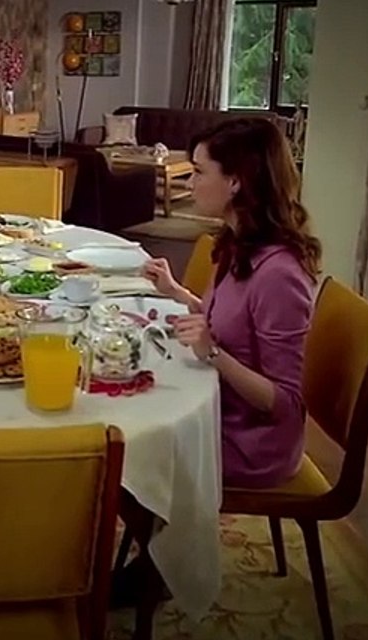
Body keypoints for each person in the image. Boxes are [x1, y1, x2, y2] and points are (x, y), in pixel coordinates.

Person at [143, 117, 321, 489]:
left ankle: (165, 526)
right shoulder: (239, 242)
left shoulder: (279, 275)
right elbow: (229, 324)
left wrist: (212, 353)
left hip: (251, 446)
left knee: (130, 451)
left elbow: (285, 404)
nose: (190, 183)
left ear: (236, 182)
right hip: (218, 411)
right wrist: (179, 294)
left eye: (198, 172)